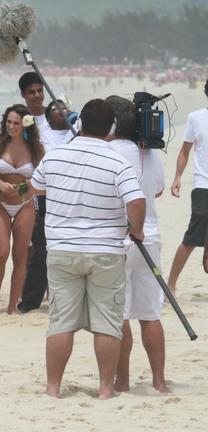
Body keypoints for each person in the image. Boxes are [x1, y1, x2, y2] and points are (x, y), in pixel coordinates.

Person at [31, 98, 145, 399]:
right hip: (105, 249)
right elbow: (136, 200)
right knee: (108, 322)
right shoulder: (117, 161)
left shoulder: (56, 156)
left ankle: (53, 387)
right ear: (111, 128)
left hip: (62, 248)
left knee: (61, 321)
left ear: (79, 122)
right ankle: (106, 389)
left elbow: (36, 185)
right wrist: (137, 230)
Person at [105, 96, 168, 393]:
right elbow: (158, 188)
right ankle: (159, 381)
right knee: (149, 314)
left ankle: (123, 380)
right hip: (150, 237)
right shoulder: (149, 152)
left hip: (120, 238)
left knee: (120, 315)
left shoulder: (106, 151)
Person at [0, 104, 43, 314]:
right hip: (1, 203)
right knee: (2, 253)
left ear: (25, 124)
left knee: (20, 255)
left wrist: (30, 183)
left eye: (16, 123)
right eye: (8, 122)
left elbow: (45, 176)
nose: (11, 126)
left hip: (25, 204)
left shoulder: (35, 147)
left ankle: (12, 305)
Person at [19, 99, 75, 314]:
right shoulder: (43, 134)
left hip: (72, 195)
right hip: (47, 195)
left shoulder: (75, 131)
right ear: (48, 115)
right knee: (41, 250)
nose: (60, 112)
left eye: (64, 108)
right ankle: (30, 301)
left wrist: (75, 120)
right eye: (55, 109)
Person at [168, 78, 208, 290]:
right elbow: (185, 150)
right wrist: (177, 177)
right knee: (192, 237)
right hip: (203, 185)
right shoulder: (196, 118)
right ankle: (171, 284)